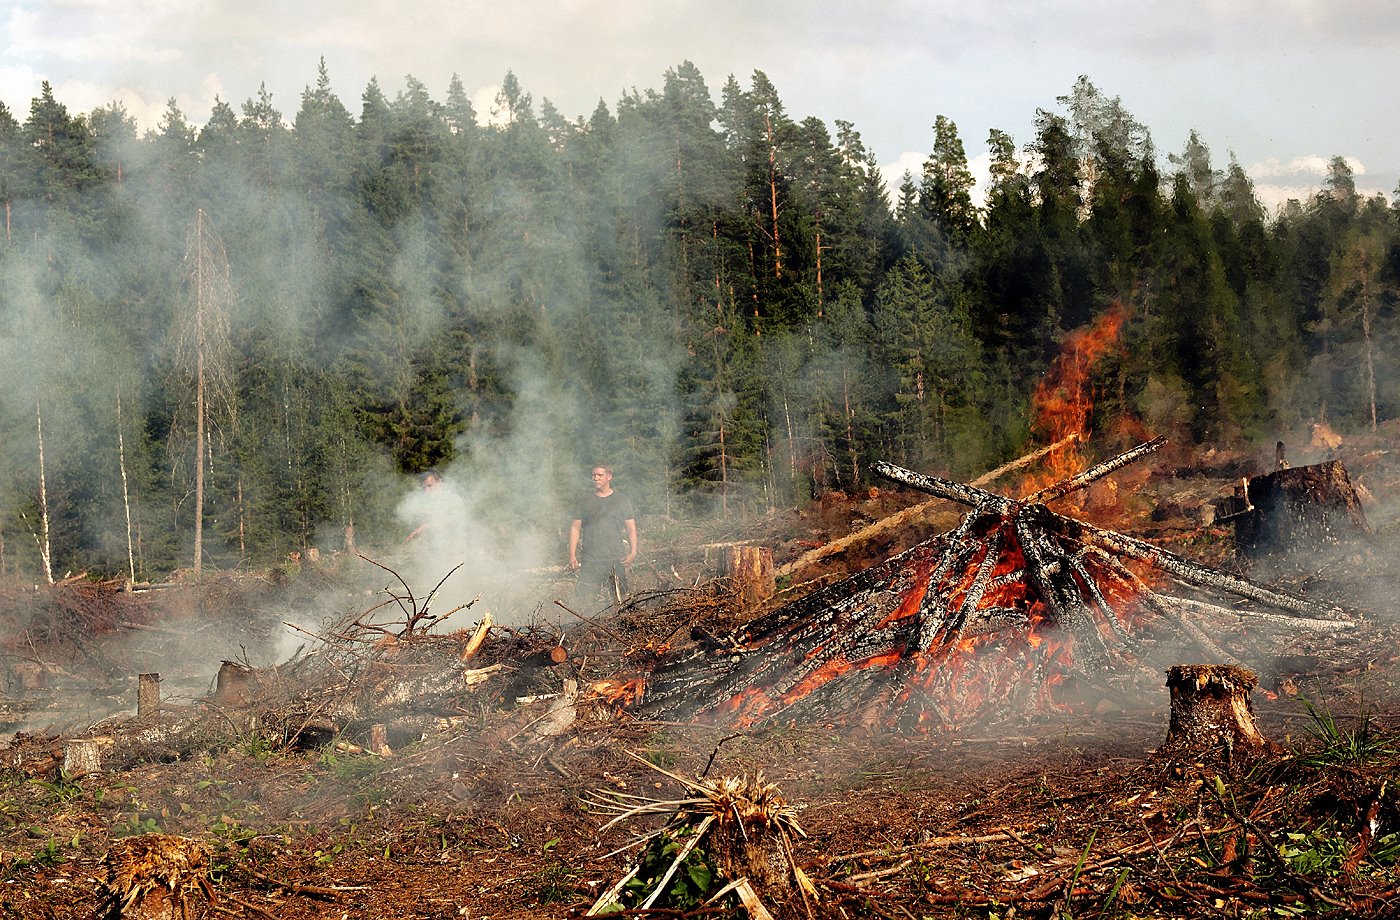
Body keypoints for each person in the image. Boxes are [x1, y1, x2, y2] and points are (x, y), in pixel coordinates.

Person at [568, 466, 638, 608]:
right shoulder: (584, 501)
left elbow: (631, 529)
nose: (596, 478)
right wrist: (572, 556)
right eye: (593, 475)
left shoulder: (621, 500)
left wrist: (633, 552)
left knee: (619, 598)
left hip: (615, 558)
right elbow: (575, 529)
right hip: (590, 559)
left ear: (609, 476)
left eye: (600, 475)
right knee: (585, 599)